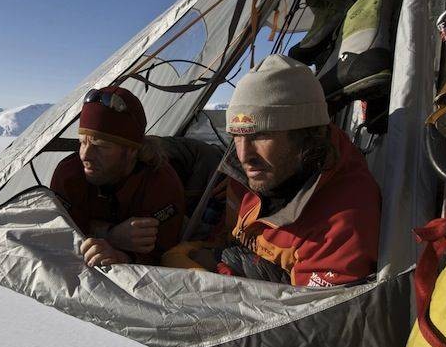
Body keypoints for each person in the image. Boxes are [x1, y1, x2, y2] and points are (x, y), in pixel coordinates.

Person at [216, 54, 381, 286]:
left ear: (305, 136)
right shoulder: (255, 170)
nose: (243, 157)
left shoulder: (341, 225)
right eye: (237, 136)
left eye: (261, 135)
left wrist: (217, 273)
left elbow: (307, 318)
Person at [50, 86, 186, 267]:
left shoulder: (160, 184)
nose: (85, 155)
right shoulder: (69, 175)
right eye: (83, 142)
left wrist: (124, 259)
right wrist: (110, 235)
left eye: (100, 146)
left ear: (131, 151)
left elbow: (163, 257)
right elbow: (58, 236)